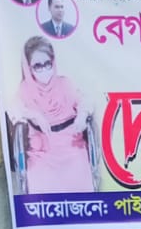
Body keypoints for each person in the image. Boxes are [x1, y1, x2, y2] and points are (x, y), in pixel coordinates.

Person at [15, 36, 94, 194]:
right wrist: (33, 115)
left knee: (80, 181)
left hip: (72, 148)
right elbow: (13, 109)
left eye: (47, 64)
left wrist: (82, 114)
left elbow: (86, 101)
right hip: (42, 153)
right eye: (38, 66)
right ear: (29, 68)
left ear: (53, 62)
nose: (44, 69)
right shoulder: (24, 90)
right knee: (42, 185)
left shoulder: (65, 83)